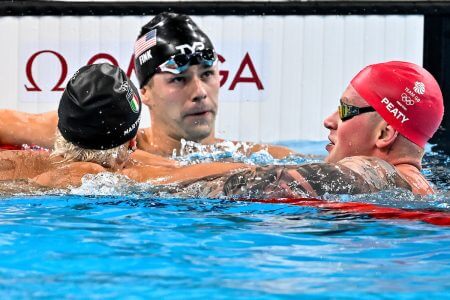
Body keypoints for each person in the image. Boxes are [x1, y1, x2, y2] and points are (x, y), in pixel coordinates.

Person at [0, 12, 293, 159]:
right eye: (179, 79)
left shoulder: (254, 158)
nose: (200, 92)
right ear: (145, 93)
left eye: (206, 74)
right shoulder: (108, 139)